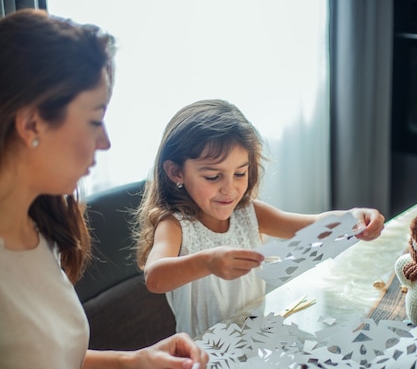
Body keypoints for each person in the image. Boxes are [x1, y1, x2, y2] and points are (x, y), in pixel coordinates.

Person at [0, 9, 207, 369]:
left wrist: (133, 364)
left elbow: (34, 367)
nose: (106, 141)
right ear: (31, 122)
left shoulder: (36, 223)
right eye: (94, 120)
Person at [136, 99, 385, 338]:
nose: (230, 189)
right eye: (213, 177)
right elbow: (155, 278)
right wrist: (208, 263)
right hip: (202, 355)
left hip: (253, 340)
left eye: (240, 173)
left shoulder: (249, 213)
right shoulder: (175, 225)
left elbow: (312, 226)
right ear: (176, 172)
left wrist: (353, 218)